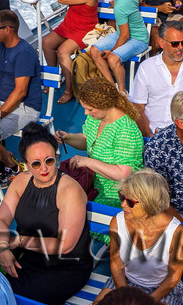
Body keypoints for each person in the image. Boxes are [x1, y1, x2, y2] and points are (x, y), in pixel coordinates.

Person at [0, 126, 94, 305]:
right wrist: (3, 246)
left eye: (49, 160)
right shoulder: (20, 182)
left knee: (25, 297)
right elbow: (1, 219)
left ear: (56, 157)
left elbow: (65, 245)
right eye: (36, 164)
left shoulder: (69, 190)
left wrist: (20, 242)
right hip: (30, 255)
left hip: (66, 264)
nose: (44, 168)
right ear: (25, 165)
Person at [105, 170, 183, 305]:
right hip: (125, 281)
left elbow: (173, 276)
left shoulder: (175, 231)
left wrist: (147, 302)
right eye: (122, 196)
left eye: (130, 202)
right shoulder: (117, 222)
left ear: (150, 203)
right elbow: (117, 266)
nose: (123, 204)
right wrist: (126, 298)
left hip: (163, 288)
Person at [56, 76, 145, 207]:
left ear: (105, 104)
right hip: (92, 186)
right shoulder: (95, 118)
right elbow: (88, 141)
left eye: (90, 109)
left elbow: (124, 173)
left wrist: (87, 161)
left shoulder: (126, 130)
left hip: (116, 196)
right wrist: (68, 138)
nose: (86, 113)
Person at [0, 9, 44, 170]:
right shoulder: (2, 46)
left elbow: (20, 92)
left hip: (25, 108)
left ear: (8, 29)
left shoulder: (23, 54)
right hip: (4, 102)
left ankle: (12, 167)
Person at [127, 18, 183, 131]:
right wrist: (149, 136)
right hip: (153, 132)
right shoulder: (146, 67)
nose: (180, 48)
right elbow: (137, 106)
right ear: (161, 43)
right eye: (175, 44)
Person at [42, 0, 101, 106]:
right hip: (69, 25)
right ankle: (54, 78)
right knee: (47, 43)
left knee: (63, 51)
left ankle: (69, 89)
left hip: (84, 29)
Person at [87, 0, 148, 90]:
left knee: (113, 58)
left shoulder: (120, 8)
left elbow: (125, 35)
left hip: (138, 39)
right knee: (94, 50)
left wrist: (112, 50)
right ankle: (111, 85)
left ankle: (122, 91)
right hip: (123, 34)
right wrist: (120, 2)